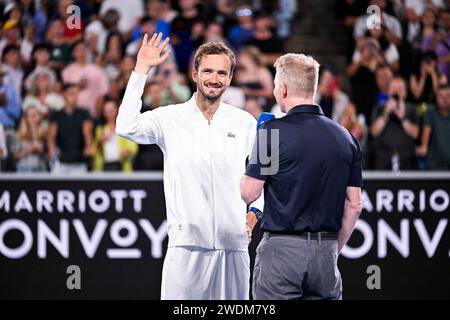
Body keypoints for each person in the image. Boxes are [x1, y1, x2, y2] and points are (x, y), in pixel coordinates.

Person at [115, 32, 263, 299]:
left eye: (221, 73)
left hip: (234, 248)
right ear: (194, 74)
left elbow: (263, 177)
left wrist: (254, 215)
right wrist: (141, 70)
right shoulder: (170, 118)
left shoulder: (246, 123)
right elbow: (125, 126)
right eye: (207, 71)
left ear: (230, 78)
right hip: (186, 248)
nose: (214, 79)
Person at [240, 53, 363, 300]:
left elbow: (250, 192)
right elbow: (354, 205)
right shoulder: (346, 138)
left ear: (283, 89)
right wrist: (331, 249)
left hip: (281, 254)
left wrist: (250, 162)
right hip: (325, 254)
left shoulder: (271, 133)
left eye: (275, 84)